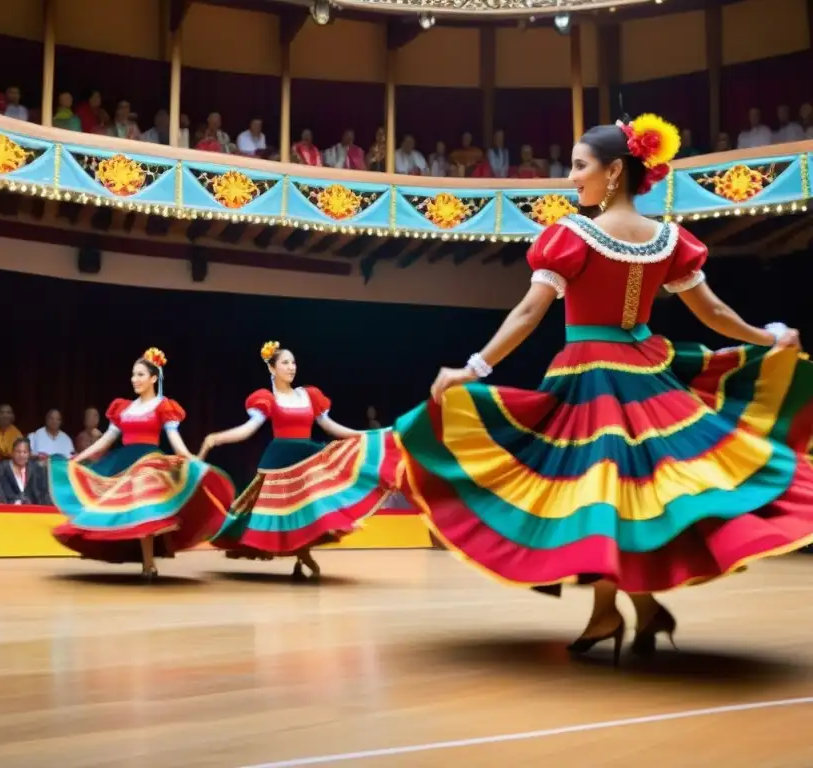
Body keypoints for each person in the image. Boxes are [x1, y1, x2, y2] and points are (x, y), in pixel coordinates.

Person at [393, 114, 813, 665]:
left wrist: (474, 367)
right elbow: (712, 312)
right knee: (625, 496)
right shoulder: (669, 239)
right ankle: (626, 610)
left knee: (601, 495)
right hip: (644, 375)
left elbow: (526, 314)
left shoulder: (571, 234)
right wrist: (768, 335)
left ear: (615, 171)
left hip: (591, 376)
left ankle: (614, 613)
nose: (571, 178)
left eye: (580, 166)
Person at [200, 342, 400, 581]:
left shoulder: (309, 395)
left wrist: (364, 435)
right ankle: (303, 557)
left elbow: (330, 426)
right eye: (285, 362)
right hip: (281, 462)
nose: (291, 367)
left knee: (312, 510)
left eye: (293, 362)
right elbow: (247, 429)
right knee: (286, 516)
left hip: (307, 460)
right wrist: (216, 438)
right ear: (272, 369)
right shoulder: (267, 398)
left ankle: (303, 557)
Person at [48, 348, 235, 580]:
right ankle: (121, 552)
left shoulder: (163, 406)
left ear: (153, 378)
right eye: (133, 375)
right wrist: (78, 458)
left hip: (150, 463)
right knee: (109, 506)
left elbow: (176, 442)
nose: (134, 379)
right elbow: (107, 439)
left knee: (145, 507)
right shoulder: (124, 407)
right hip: (123, 461)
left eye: (140, 375)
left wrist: (192, 458)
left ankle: (148, 564)